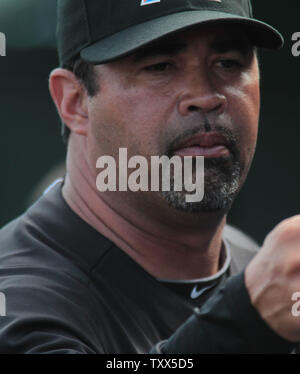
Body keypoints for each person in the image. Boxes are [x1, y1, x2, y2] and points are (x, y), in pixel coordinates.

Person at [0, 0, 299, 354]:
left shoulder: (251, 263)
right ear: (74, 101)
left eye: (228, 63)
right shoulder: (18, 305)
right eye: (160, 67)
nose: (204, 97)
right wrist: (246, 321)